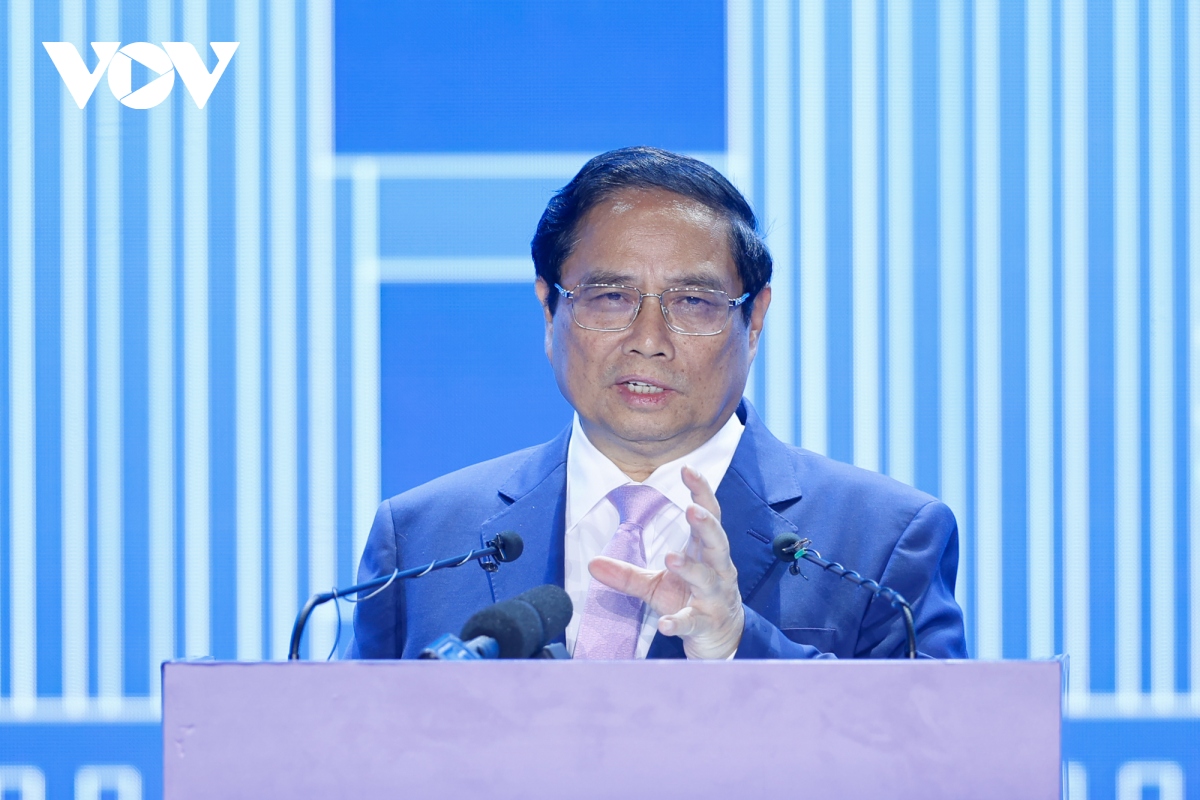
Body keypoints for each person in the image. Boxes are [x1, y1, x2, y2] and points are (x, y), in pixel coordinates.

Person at [349, 146, 967, 660]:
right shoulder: (423, 542)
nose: (648, 341)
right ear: (549, 311)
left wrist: (736, 644)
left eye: (693, 303)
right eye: (610, 297)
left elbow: (929, 751)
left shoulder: (882, 543)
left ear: (754, 321)